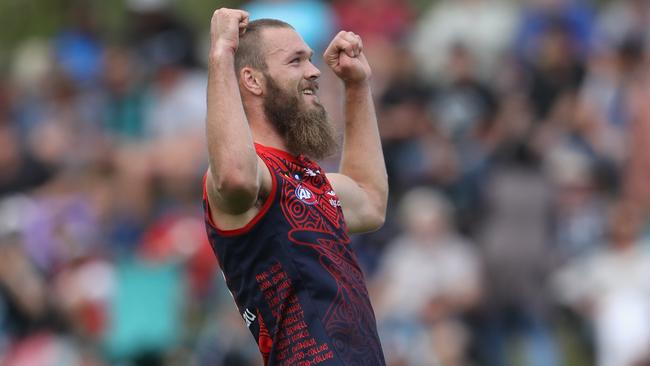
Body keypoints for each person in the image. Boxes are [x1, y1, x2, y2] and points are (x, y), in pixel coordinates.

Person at [202, 8, 388, 365]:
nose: (315, 71)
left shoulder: (307, 177)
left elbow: (369, 199)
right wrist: (221, 52)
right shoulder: (250, 177)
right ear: (253, 81)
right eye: (296, 61)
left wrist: (357, 85)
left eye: (311, 59)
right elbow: (235, 176)